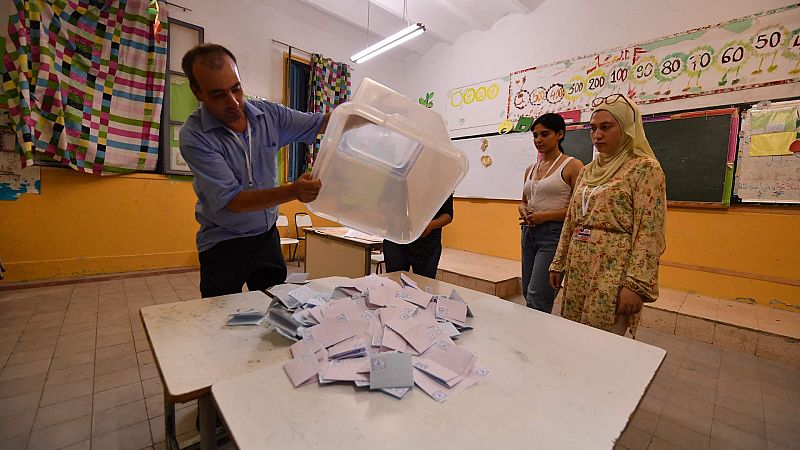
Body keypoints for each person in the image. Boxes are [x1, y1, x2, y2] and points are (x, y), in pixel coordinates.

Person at [179, 43, 329, 298]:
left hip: (266, 236)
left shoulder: (269, 115)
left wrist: (365, 116)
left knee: (274, 307)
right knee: (222, 314)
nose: (233, 102)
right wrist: (294, 191)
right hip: (223, 242)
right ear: (198, 92)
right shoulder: (195, 136)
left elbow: (320, 123)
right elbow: (234, 201)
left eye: (236, 88)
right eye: (218, 95)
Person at [549, 94, 666, 337]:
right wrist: (559, 262)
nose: (597, 135)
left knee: (601, 340)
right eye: (593, 128)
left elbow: (649, 230)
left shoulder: (645, 168)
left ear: (627, 129)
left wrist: (635, 284)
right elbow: (571, 219)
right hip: (579, 262)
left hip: (613, 268)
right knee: (571, 334)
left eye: (606, 127)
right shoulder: (588, 171)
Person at [519, 114, 583, 313]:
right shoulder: (531, 169)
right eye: (535, 135)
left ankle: (536, 331)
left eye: (545, 134)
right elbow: (524, 201)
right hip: (528, 232)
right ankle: (533, 329)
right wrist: (522, 209)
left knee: (538, 295)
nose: (538, 140)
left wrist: (544, 216)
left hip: (554, 235)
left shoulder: (572, 165)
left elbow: (579, 210)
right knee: (527, 291)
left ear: (560, 134)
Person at [383, 194, 454, 278]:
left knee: (424, 282)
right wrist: (393, 217)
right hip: (397, 239)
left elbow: (448, 215)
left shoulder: (442, 186)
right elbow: (384, 203)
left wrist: (430, 225)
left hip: (428, 244)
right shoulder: (397, 184)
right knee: (395, 280)